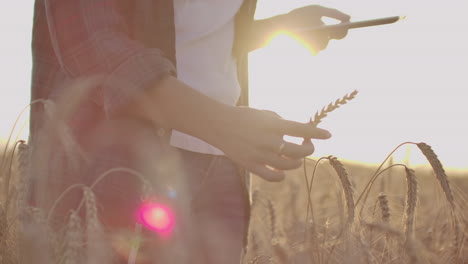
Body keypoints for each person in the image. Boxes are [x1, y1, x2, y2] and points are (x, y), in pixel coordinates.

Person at [27, 0, 350, 263]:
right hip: (114, 160)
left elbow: (189, 32)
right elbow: (89, 41)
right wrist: (221, 124)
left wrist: (275, 29)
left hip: (222, 166)